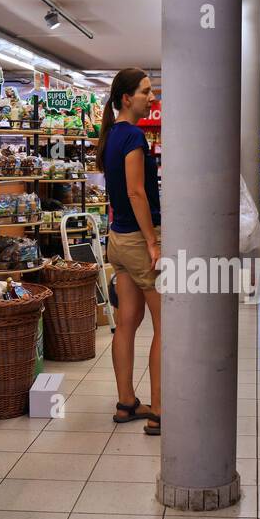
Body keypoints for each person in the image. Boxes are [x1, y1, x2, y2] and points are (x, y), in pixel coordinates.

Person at [100, 68, 161, 436]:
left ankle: (126, 403)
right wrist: (153, 241)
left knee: (126, 323)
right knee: (165, 327)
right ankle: (160, 412)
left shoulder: (111, 136)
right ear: (127, 98)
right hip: (139, 241)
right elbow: (137, 192)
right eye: (145, 91)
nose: (151, 98)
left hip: (117, 239)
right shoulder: (134, 136)